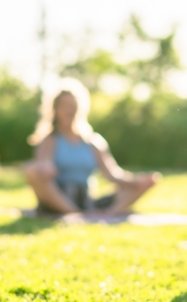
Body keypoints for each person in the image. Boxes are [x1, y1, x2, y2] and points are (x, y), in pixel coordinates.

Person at [24, 78, 160, 216]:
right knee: (31, 170)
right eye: (64, 106)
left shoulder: (93, 141)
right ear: (55, 110)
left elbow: (113, 175)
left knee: (140, 185)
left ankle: (107, 213)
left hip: (86, 200)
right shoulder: (50, 140)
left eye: (73, 105)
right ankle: (72, 213)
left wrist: (137, 181)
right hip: (59, 198)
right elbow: (42, 162)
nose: (69, 110)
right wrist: (45, 166)